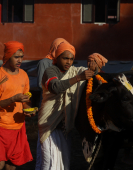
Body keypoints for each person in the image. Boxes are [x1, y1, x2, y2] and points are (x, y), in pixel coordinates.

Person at [37, 42, 95, 170]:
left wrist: (95, 65)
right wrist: (78, 78)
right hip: (49, 124)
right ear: (57, 58)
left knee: (63, 163)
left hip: (64, 127)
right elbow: (55, 87)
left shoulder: (74, 71)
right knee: (49, 164)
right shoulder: (50, 70)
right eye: (65, 58)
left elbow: (92, 74)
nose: (68, 62)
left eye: (71, 59)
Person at [0, 41, 35, 170]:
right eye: (16, 57)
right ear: (8, 56)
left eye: (21, 57)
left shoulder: (24, 75)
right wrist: (13, 99)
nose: (20, 60)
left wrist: (28, 110)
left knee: (11, 166)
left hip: (18, 126)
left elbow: (25, 100)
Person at [35, 38, 71, 169]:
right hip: (48, 105)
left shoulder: (66, 62)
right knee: (46, 150)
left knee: (60, 147)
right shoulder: (45, 62)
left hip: (61, 109)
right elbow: (42, 83)